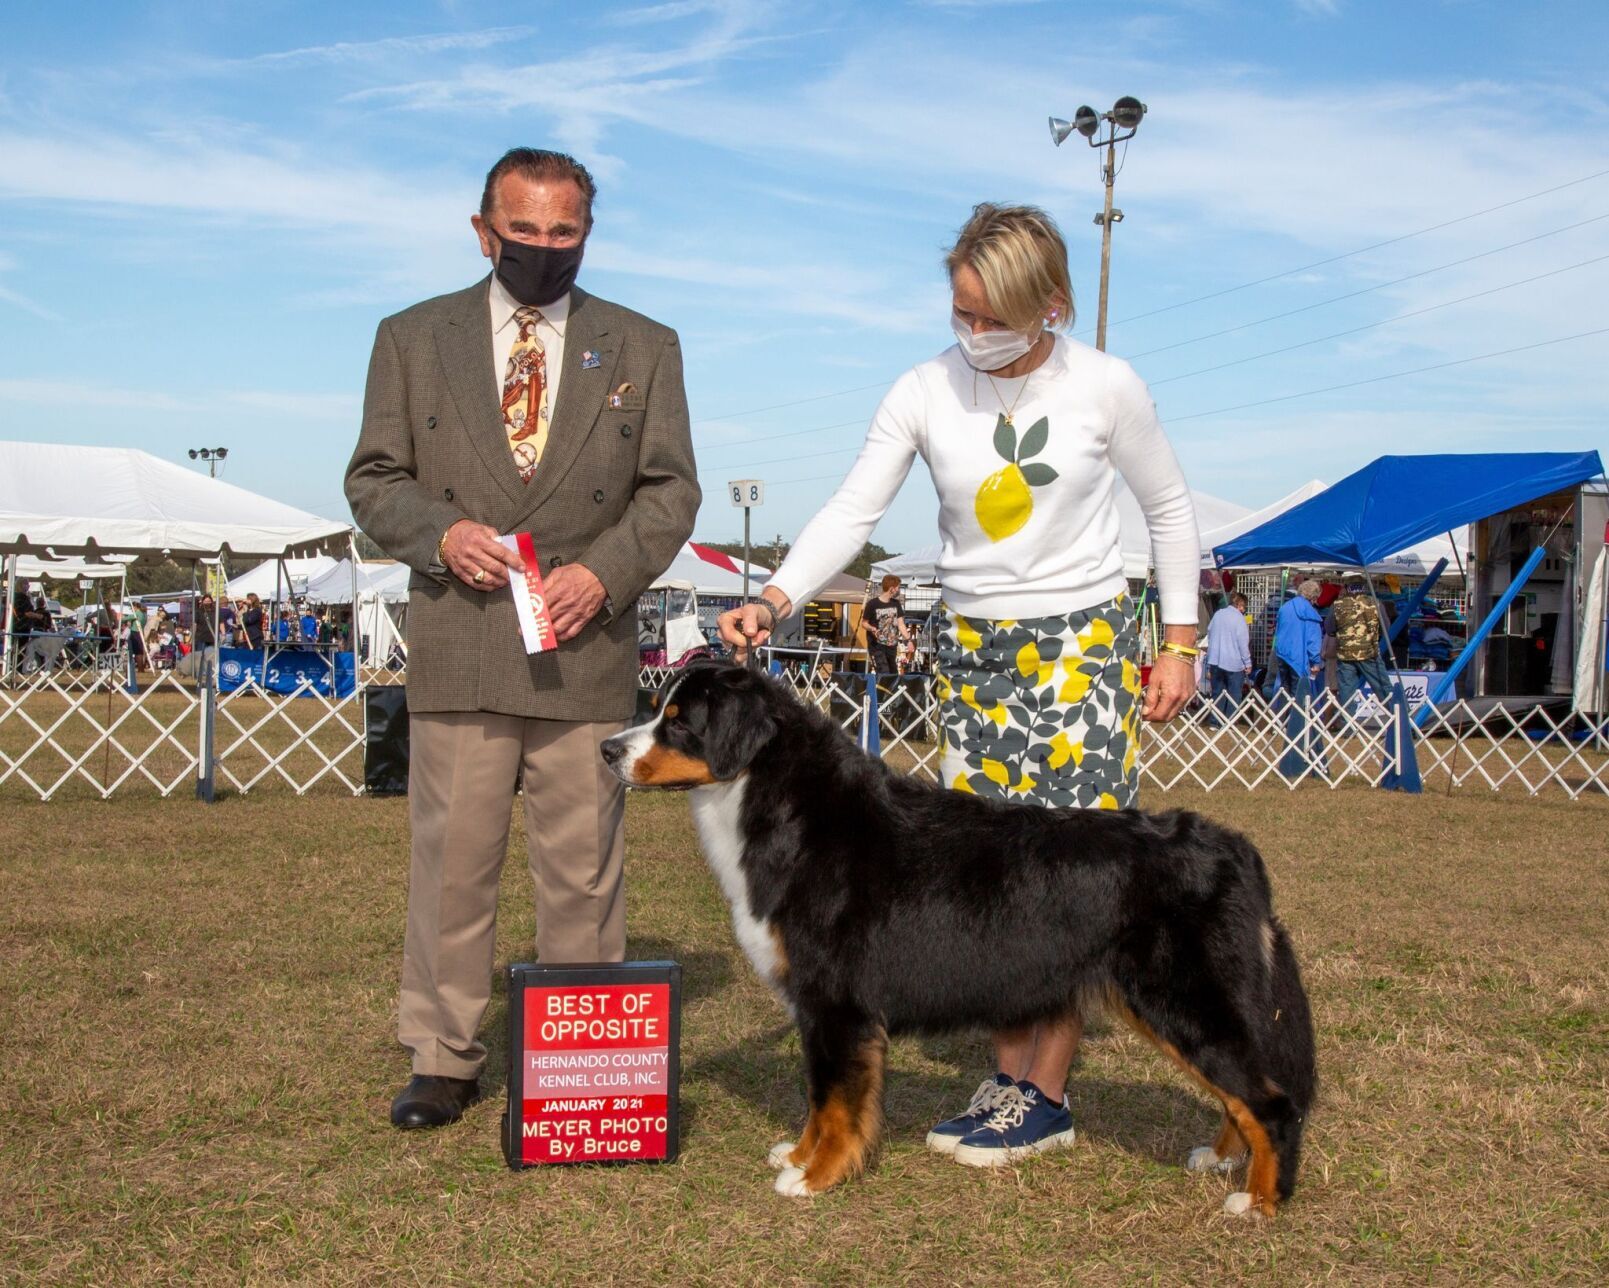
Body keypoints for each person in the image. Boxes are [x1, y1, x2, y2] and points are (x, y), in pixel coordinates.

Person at [717, 202, 1199, 1168]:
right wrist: (773, 595)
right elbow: (855, 507)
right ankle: (1006, 1072)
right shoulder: (921, 389)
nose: (971, 332)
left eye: (989, 316)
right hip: (970, 655)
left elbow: (1168, 505)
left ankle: (1042, 1092)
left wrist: (1178, 638)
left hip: (1079, 655)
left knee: (1064, 877)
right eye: (959, 311)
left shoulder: (1108, 387)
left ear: (1049, 306)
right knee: (982, 880)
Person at [345, 146, 699, 1132]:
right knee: (451, 864)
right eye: (524, 231)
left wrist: (607, 571)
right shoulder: (411, 337)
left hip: (583, 648)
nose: (544, 250)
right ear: (482, 229)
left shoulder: (643, 345)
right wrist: (437, 531)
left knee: (582, 866)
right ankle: (442, 1056)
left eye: (564, 233)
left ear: (586, 232)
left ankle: (579, 1056)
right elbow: (373, 476)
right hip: (462, 641)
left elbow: (673, 488)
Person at [1332, 574, 1392, 710]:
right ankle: (1401, 718)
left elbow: (1330, 627)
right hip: (1370, 652)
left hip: (1345, 654)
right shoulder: (1376, 603)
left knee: (1347, 691)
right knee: (1383, 686)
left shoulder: (1337, 605)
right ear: (1364, 587)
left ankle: (1348, 725)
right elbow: (1386, 627)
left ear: (1347, 588)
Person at [1205, 592, 1252, 720]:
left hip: (1215, 659)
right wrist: (1247, 663)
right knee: (1234, 694)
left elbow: (1209, 632)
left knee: (1217, 693)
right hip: (1234, 662)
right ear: (1240, 605)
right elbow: (1243, 643)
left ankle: (1215, 720)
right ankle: (1230, 721)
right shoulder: (1239, 619)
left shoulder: (1218, 614)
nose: (1244, 609)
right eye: (1244, 606)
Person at [862, 574, 905, 676]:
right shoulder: (872, 604)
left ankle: (890, 692)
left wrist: (909, 640)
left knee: (893, 674)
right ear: (892, 589)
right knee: (883, 672)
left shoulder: (896, 604)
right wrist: (872, 628)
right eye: (898, 587)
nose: (899, 590)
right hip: (877, 646)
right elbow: (864, 623)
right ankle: (881, 691)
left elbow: (901, 624)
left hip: (891, 645)